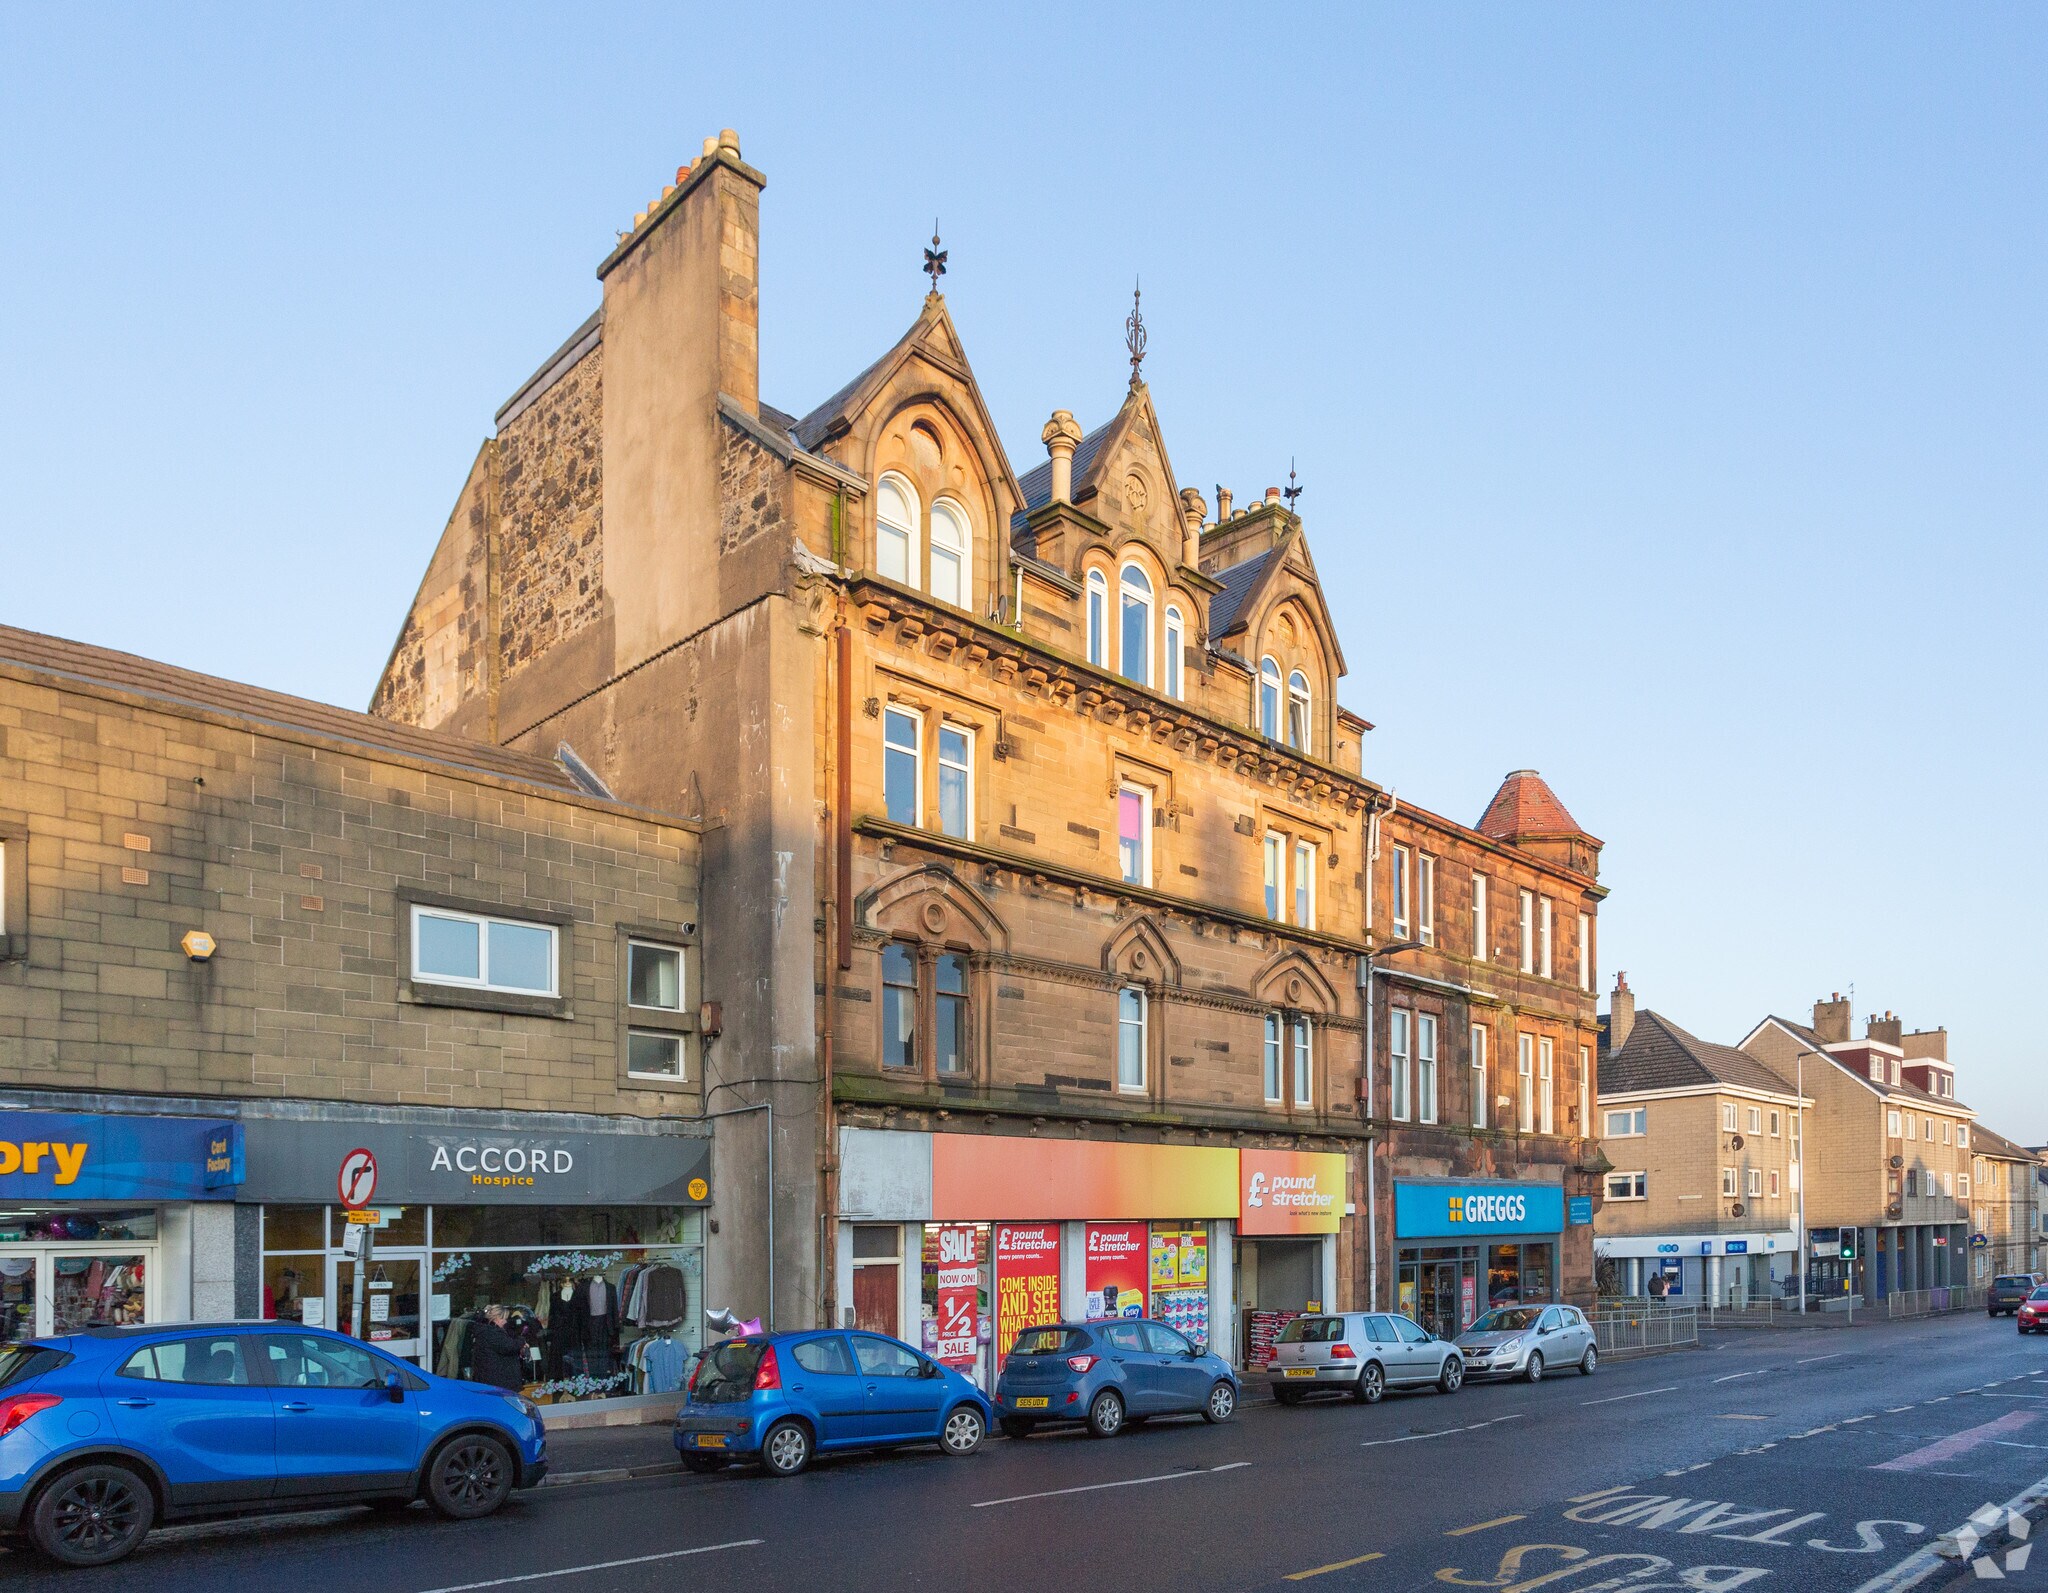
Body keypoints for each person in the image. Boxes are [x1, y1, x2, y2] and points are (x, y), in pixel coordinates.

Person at [467, 1304, 525, 1391]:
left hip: (489, 1377)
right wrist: (521, 1340)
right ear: (497, 1318)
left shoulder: (484, 1330)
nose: (505, 1321)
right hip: (498, 1380)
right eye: (503, 1318)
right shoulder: (492, 1332)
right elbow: (509, 1346)